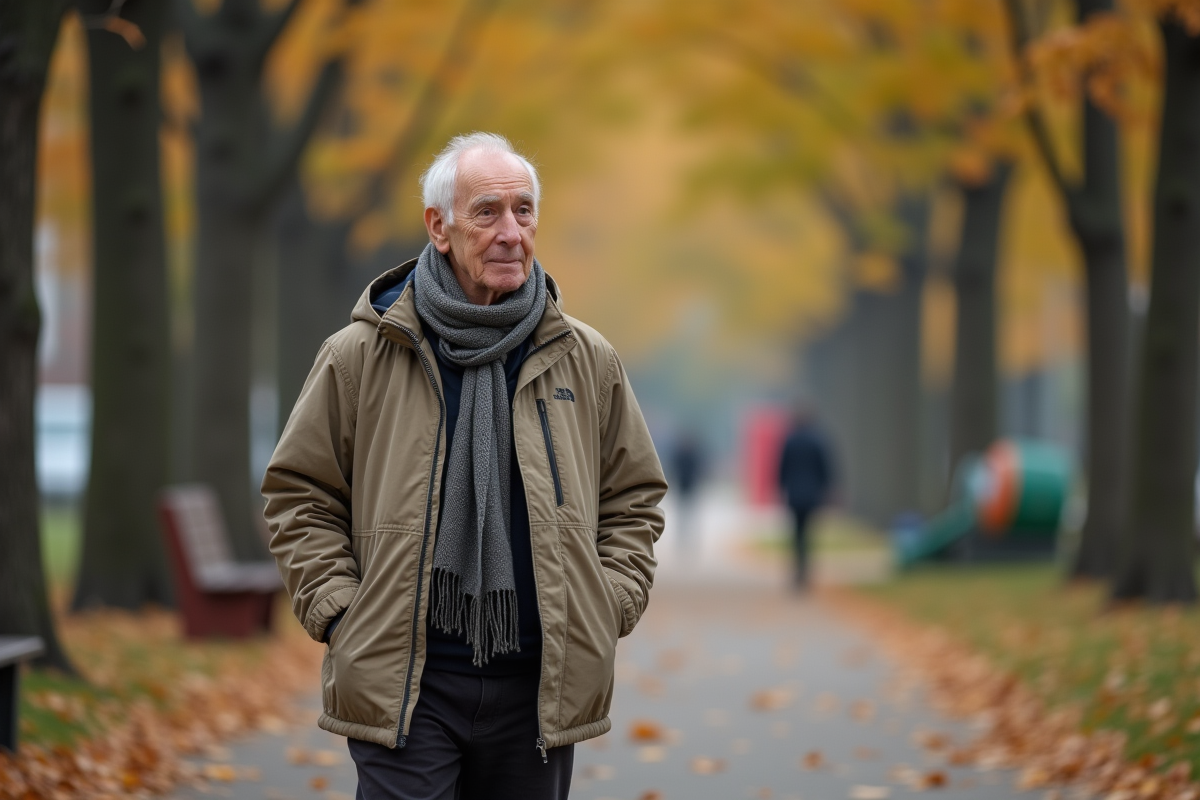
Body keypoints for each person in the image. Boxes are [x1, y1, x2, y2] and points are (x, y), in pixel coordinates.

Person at [262, 132, 667, 800]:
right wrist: (340, 613)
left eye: (524, 211)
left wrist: (608, 603)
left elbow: (634, 497)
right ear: (438, 227)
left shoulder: (586, 358)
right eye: (487, 212)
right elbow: (299, 493)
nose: (511, 232)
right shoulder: (360, 354)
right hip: (407, 687)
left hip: (538, 690)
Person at [776, 406, 835, 590]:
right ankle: (806, 570)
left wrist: (780, 488)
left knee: (797, 533)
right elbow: (825, 468)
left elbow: (782, 468)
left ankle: (798, 570)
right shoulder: (817, 441)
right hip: (812, 494)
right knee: (808, 533)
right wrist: (829, 489)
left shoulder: (790, 441)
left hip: (794, 494)